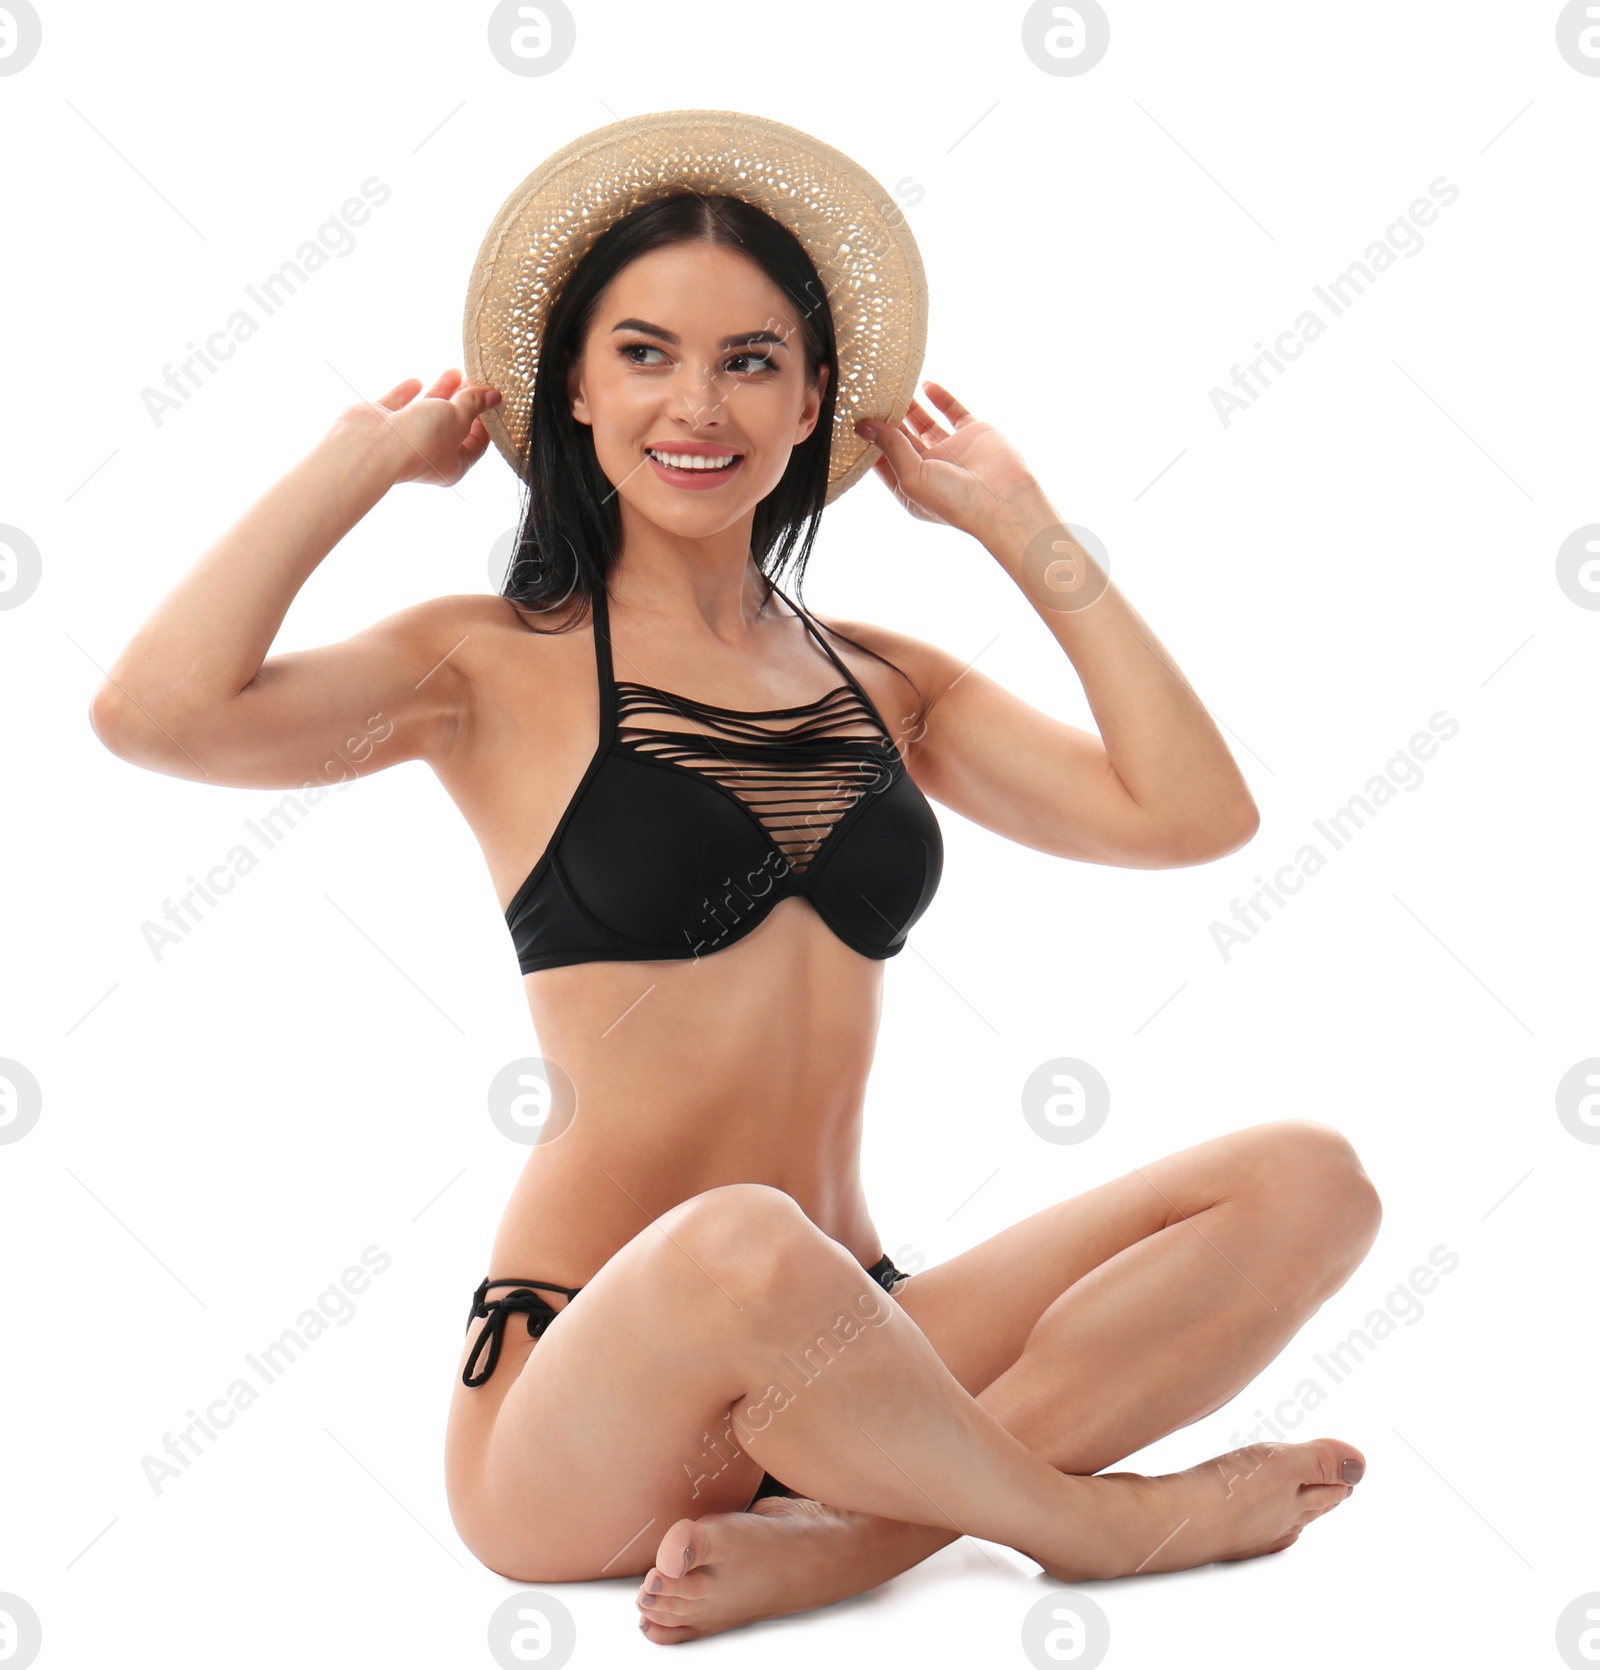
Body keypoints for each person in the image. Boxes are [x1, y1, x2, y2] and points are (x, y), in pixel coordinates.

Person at [89, 111, 1381, 1645]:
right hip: (595, 1385)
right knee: (744, 1234)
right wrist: (353, 469)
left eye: (750, 360)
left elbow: (1192, 812)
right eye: (644, 353)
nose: (696, 404)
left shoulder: (883, 678)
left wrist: (1021, 529)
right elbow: (153, 713)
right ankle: (1093, 1522)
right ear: (574, 385)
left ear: (814, 396)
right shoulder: (487, 669)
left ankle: (862, 1538)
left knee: (1311, 1178)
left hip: (854, 1334)